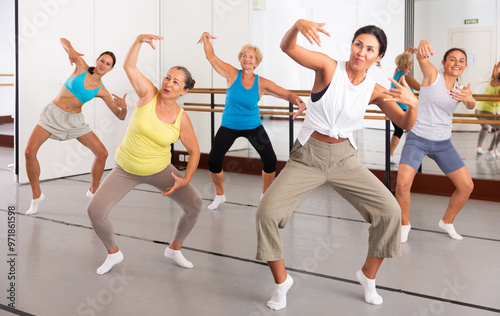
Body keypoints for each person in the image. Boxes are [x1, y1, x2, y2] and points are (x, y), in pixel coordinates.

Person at [255, 19, 418, 310]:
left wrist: (413, 105)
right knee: (266, 213)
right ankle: (282, 282)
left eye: (370, 49)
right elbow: (287, 47)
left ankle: (368, 275)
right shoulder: (328, 67)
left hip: (345, 157)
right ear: (352, 45)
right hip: (309, 156)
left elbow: (404, 123)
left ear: (378, 57)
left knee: (390, 212)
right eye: (358, 45)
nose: (361, 53)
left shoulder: (374, 90)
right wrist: (296, 25)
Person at [87, 34, 202, 275]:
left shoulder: (182, 119)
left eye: (176, 82)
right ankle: (113, 253)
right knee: (95, 212)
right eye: (168, 78)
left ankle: (174, 248)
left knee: (194, 205)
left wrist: (186, 178)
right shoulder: (148, 93)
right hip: (125, 169)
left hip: (160, 170)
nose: (169, 84)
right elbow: (130, 66)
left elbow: (194, 151)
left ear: (185, 90)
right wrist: (138, 41)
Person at [198, 32, 304, 210]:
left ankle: (265, 195)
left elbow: (285, 93)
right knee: (213, 161)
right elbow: (211, 57)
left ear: (256, 62)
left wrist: (299, 102)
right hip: (229, 126)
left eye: (251, 57)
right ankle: (219, 195)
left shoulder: (261, 83)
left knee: (270, 160)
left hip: (252, 126)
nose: (247, 59)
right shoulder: (232, 74)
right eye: (244, 56)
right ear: (240, 59)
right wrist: (206, 40)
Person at [25, 38, 127, 215]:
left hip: (74, 121)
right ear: (97, 60)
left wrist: (124, 108)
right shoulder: (81, 66)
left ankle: (93, 189)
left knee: (102, 153)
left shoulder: (102, 90)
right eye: (102, 60)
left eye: (108, 63)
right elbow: (62, 40)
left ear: (111, 69)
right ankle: (36, 195)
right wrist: (70, 49)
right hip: (52, 115)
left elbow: (119, 116)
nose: (103, 64)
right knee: (29, 152)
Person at [396, 40, 476, 243]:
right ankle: (404, 224)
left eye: (461, 61)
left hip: (443, 143)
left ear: (464, 66)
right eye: (452, 59)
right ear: (444, 62)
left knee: (466, 187)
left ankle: (447, 221)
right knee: (403, 183)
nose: (456, 63)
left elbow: (470, 105)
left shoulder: (461, 88)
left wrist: (469, 98)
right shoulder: (433, 76)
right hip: (418, 138)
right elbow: (422, 59)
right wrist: (422, 44)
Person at [389, 47, 421, 164]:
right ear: (408, 65)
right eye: (411, 64)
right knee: (410, 130)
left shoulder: (397, 72)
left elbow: (401, 59)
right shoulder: (406, 78)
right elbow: (423, 89)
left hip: (393, 107)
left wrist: (407, 50)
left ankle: (390, 155)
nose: (412, 66)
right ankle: (412, 155)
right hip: (402, 109)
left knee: (399, 131)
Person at [475, 60, 500, 159]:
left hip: (478, 109)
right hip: (487, 111)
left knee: (485, 128)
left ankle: (479, 147)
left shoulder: (492, 79)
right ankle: (491, 149)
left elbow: (497, 66)